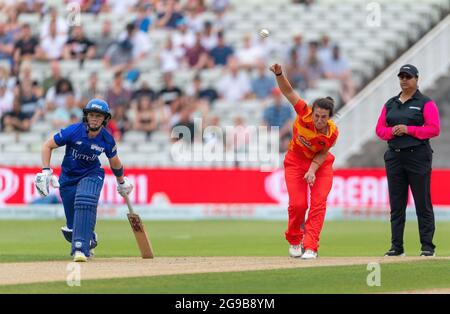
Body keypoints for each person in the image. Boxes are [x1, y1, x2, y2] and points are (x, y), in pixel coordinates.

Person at [34, 99, 133, 262]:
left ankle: (80, 248)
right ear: (86, 116)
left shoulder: (107, 139)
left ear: (105, 119)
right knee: (72, 229)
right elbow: (47, 145)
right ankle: (88, 238)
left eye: (99, 116)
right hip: (68, 178)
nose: (94, 119)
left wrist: (121, 182)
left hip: (92, 173)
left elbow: (114, 161)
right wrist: (45, 171)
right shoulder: (73, 131)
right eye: (92, 115)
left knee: (85, 199)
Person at [270, 63, 338, 259]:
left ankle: (311, 246)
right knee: (298, 205)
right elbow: (288, 91)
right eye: (316, 115)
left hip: (321, 166)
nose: (318, 120)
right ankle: (294, 239)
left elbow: (323, 153)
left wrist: (313, 170)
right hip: (295, 162)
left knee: (318, 204)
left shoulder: (332, 132)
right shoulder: (304, 113)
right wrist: (280, 74)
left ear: (329, 117)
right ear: (312, 112)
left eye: (323, 117)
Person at [375, 64, 440, 257]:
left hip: (417, 155)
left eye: (408, 77)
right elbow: (380, 129)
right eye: (401, 77)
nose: (404, 80)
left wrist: (409, 129)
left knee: (422, 202)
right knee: (396, 204)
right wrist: (392, 131)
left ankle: (427, 246)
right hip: (394, 156)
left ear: (416, 79)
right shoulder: (390, 103)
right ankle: (397, 247)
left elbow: (434, 128)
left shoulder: (425, 103)